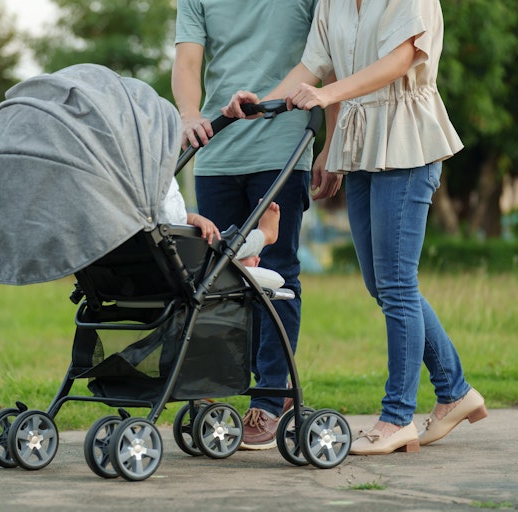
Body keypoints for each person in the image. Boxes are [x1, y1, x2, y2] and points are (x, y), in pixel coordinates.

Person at [223, 0, 486, 455]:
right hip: (360, 142)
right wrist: (261, 102)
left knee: (397, 283)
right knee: (380, 283)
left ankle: (396, 417)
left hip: (407, 138)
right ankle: (455, 392)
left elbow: (401, 59)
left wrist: (329, 95)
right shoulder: (334, 3)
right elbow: (312, 65)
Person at [172, 0, 343, 451]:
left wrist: (331, 144)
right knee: (215, 277)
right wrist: (190, 114)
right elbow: (187, 62)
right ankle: (219, 389)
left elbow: (328, 60)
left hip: (282, 148)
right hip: (218, 149)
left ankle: (270, 398)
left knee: (276, 269)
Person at [159, 175, 282, 268]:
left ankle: (233, 261)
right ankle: (265, 235)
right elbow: (169, 216)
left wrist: (190, 218)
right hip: (178, 261)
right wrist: (187, 218)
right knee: (220, 247)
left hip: (151, 257)